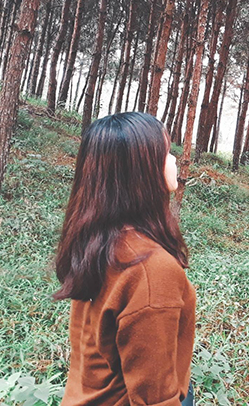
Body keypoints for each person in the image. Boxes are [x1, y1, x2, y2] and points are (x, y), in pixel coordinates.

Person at [54, 112, 195, 406]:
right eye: (166, 152)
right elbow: (155, 398)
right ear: (142, 170)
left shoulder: (100, 240)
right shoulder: (151, 269)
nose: (174, 160)